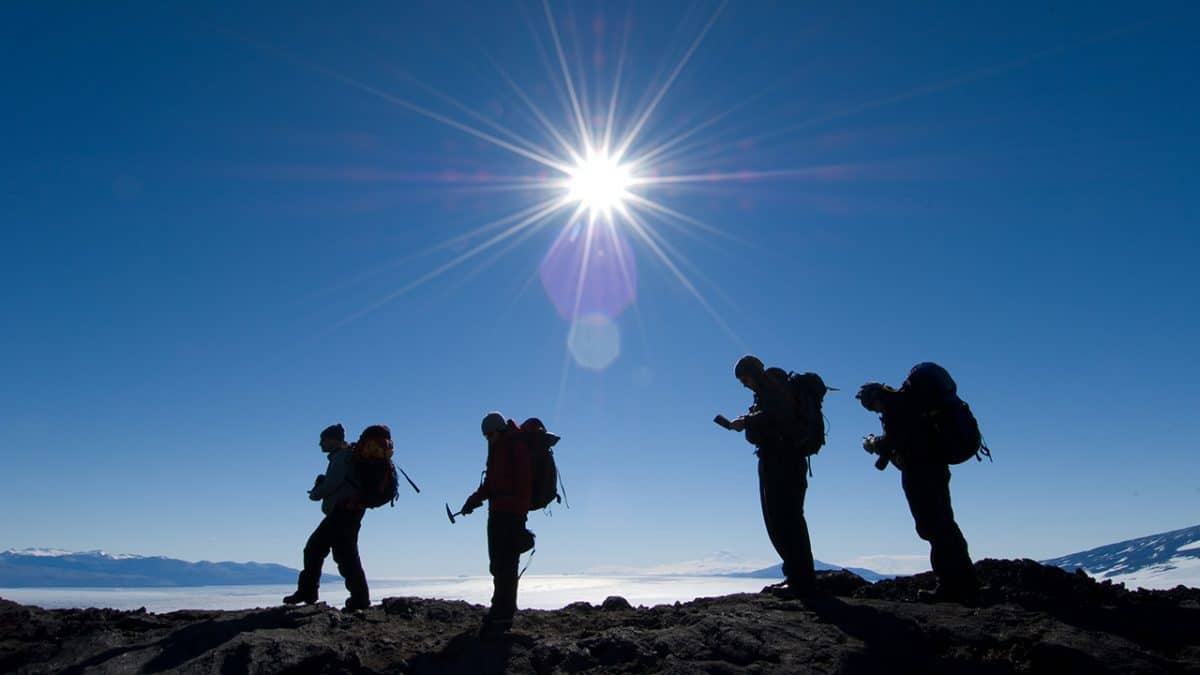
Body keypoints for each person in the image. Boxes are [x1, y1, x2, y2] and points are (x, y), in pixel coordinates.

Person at [857, 364, 980, 604]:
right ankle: (964, 583)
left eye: (871, 406)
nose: (874, 411)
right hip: (936, 467)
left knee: (934, 526)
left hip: (920, 472)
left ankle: (954, 586)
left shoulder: (896, 406)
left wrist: (873, 444)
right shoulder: (911, 403)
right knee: (942, 523)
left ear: (874, 398)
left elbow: (897, 440)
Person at [726, 355, 818, 599]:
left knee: (785, 519)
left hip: (783, 460)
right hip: (780, 459)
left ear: (751, 374)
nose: (744, 385)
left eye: (744, 379)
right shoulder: (772, 389)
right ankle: (797, 576)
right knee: (782, 519)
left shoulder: (774, 387)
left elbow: (778, 415)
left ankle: (802, 580)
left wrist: (745, 422)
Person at [459, 411, 535, 639]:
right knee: (499, 565)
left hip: (510, 516)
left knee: (506, 566)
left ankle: (503, 614)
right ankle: (500, 609)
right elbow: (492, 483)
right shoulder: (499, 448)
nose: (487, 440)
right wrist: (473, 500)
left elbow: (523, 483)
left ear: (498, 431)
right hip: (499, 514)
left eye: (489, 435)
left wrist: (514, 510)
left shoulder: (514, 447)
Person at [283, 423, 372, 611]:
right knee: (340, 553)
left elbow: (332, 484)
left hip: (343, 512)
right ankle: (356, 598)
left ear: (332, 440)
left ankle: (355, 599)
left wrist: (315, 493)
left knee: (319, 549)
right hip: (349, 511)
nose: (320, 444)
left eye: (322, 440)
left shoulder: (341, 458)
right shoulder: (347, 456)